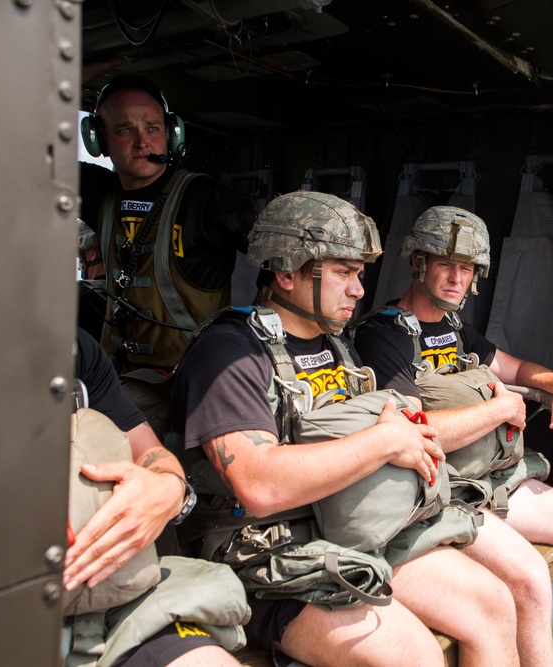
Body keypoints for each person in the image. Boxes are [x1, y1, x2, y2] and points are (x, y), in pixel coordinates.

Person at [170, 191, 520, 667]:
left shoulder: (337, 345)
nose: (359, 289)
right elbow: (258, 483)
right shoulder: (231, 353)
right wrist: (382, 442)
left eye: (358, 274)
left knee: (494, 605)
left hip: (347, 526)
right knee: (414, 656)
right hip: (265, 554)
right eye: (343, 272)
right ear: (287, 271)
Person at [351, 206, 553, 667]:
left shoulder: (454, 328)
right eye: (445, 264)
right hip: (448, 489)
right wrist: (499, 408)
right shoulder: (384, 337)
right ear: (418, 264)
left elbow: (513, 367)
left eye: (466, 268)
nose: (457, 278)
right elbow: (414, 432)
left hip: (493, 478)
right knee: (532, 581)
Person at [68, 328, 244, 666]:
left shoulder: (75, 351)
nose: (357, 291)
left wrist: (169, 489)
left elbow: (152, 454)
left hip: (104, 600)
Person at [79, 74, 256, 372]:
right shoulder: (101, 194)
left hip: (188, 380)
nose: (142, 142)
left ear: (172, 135)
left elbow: (283, 262)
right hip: (115, 375)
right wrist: (74, 78)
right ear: (98, 139)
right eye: (124, 129)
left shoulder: (206, 199)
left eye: (152, 128)